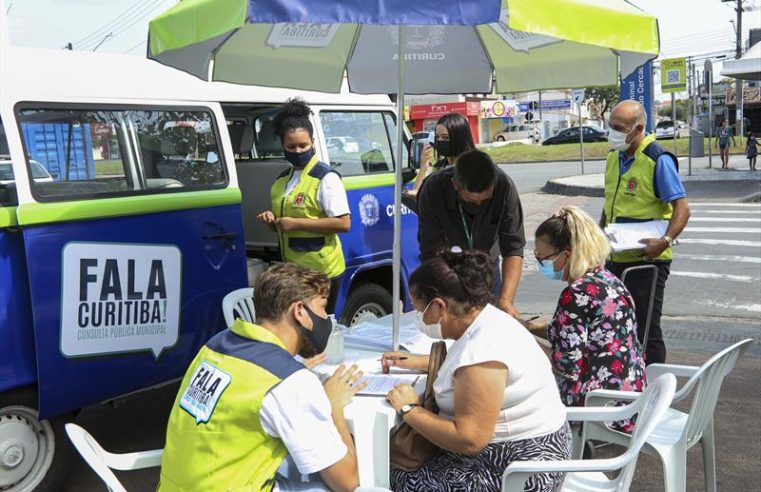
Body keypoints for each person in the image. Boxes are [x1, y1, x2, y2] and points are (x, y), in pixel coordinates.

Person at [159, 263, 366, 492]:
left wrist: (292, 371)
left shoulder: (216, 345)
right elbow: (348, 481)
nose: (325, 318)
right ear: (299, 311)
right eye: (322, 308)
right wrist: (333, 405)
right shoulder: (289, 382)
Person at [381, 250, 570, 492]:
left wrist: (409, 409)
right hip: (532, 453)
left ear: (440, 306)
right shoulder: (490, 320)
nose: (419, 318)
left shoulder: (481, 351)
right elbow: (472, 372)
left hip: (515, 470)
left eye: (420, 310)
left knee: (390, 476)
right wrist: (423, 362)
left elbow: (469, 439)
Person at [533, 206, 646, 431]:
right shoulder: (607, 279)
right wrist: (531, 327)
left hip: (595, 406)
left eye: (542, 257)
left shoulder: (575, 294)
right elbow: (582, 335)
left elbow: (567, 366)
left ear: (566, 254)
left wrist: (525, 343)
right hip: (627, 397)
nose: (539, 263)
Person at [601, 100, 691, 365]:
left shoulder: (657, 159)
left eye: (619, 128)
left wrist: (664, 241)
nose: (612, 133)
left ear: (638, 128)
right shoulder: (613, 156)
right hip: (616, 257)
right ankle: (627, 386)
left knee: (646, 327)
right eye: (611, 127)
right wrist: (598, 235)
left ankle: (656, 391)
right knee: (616, 325)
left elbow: (682, 209)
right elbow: (611, 205)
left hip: (647, 260)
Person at [256, 98, 351, 314]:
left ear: (313, 143)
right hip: (294, 271)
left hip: (322, 272)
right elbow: (284, 226)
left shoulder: (325, 178)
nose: (298, 151)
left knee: (318, 330)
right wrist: (272, 222)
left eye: (303, 145)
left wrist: (296, 223)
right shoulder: (281, 182)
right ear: (283, 146)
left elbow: (344, 223)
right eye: (291, 146)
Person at [417, 149, 525, 318]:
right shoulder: (433, 189)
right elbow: (430, 253)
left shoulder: (505, 187)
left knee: (490, 324)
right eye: (471, 201)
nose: (479, 205)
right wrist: (446, 297)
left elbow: (513, 249)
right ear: (455, 184)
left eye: (485, 201)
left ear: (493, 184)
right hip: (450, 268)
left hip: (488, 268)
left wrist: (505, 300)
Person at [404, 112, 476, 201]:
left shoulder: (472, 168)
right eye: (437, 137)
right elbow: (417, 192)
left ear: (459, 138)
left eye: (445, 137)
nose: (440, 141)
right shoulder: (440, 167)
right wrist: (423, 167)